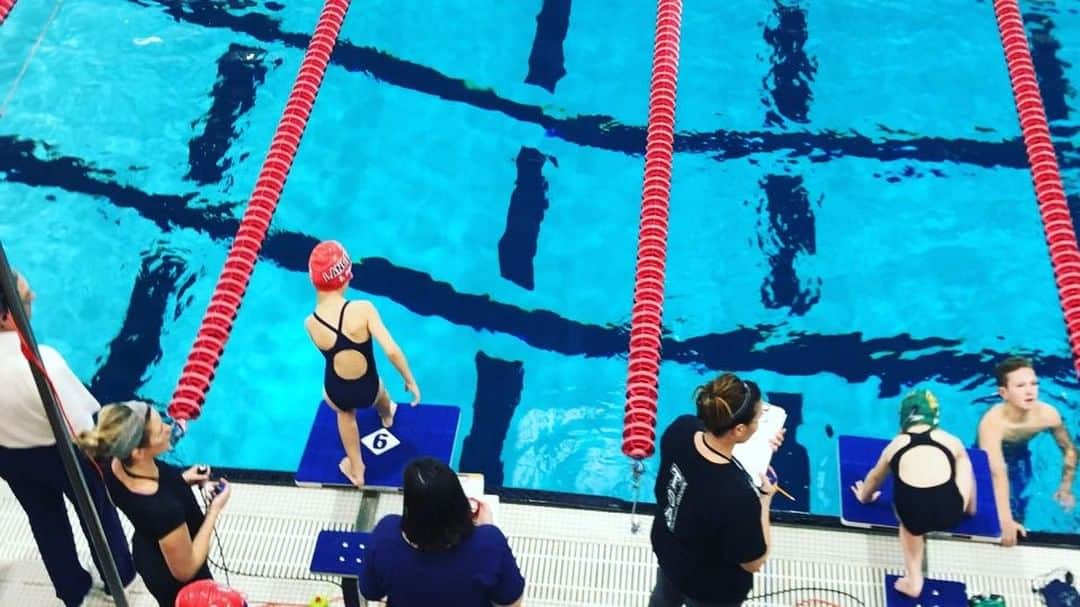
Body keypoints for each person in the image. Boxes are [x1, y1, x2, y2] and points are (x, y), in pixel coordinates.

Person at [0, 270, 136, 606]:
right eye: (25, 293)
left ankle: (71, 588)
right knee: (97, 511)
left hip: (10, 456)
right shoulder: (41, 362)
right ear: (6, 315)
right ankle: (118, 574)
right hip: (63, 452)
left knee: (45, 520)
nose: (33, 294)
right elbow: (82, 424)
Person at [75, 401, 231, 606]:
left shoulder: (115, 465)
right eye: (160, 430)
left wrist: (183, 479)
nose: (169, 429)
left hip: (148, 550)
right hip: (178, 581)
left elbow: (145, 504)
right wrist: (214, 510)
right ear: (137, 452)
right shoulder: (163, 509)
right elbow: (186, 569)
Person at [649, 372, 785, 607]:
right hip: (709, 585)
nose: (759, 425)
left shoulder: (681, 429)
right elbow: (753, 562)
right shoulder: (738, 497)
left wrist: (760, 446)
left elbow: (708, 457)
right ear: (740, 430)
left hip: (669, 552)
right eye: (757, 421)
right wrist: (764, 499)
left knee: (663, 600)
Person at [305, 240, 421, 488]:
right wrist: (409, 379)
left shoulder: (310, 323)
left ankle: (357, 470)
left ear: (313, 281)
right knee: (379, 389)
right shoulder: (363, 309)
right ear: (345, 278)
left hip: (336, 391)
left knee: (344, 413)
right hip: (368, 389)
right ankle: (387, 415)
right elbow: (391, 350)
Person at [851, 388, 976, 598]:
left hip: (914, 518)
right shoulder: (949, 439)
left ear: (903, 421)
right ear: (935, 418)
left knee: (909, 521)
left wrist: (865, 496)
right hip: (951, 511)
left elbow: (874, 478)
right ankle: (970, 507)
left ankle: (914, 579)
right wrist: (965, 505)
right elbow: (961, 464)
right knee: (963, 459)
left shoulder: (896, 444)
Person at [358, 457, 525, 606]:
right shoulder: (488, 543)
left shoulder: (385, 536)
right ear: (459, 502)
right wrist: (487, 528)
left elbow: (371, 592)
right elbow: (512, 601)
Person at [977, 356, 1076, 547]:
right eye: (1021, 386)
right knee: (990, 509)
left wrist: (1065, 487)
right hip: (991, 456)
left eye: (1034, 383)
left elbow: (1070, 450)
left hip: (1021, 452)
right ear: (1003, 392)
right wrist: (1005, 520)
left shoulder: (1048, 415)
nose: (1030, 391)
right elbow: (997, 471)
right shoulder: (992, 423)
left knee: (1020, 508)